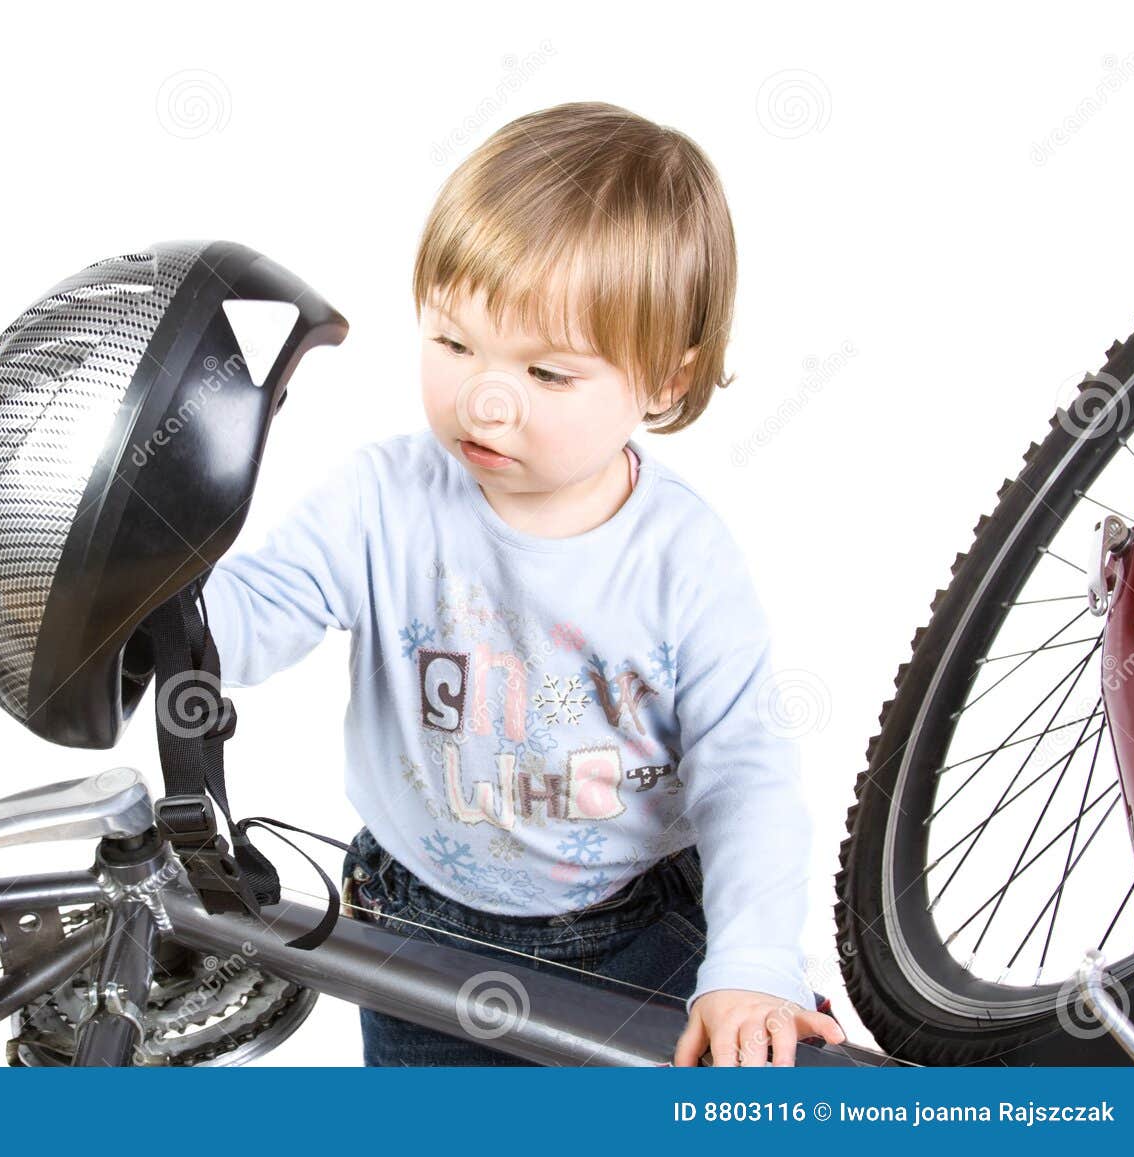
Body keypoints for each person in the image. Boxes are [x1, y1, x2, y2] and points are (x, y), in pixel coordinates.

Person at [201, 100, 846, 1067]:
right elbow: (250, 618)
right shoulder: (383, 498)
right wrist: (151, 603)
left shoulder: (680, 557)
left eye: (547, 372)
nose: (484, 398)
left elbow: (745, 770)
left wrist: (752, 959)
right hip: (417, 928)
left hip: (631, 929)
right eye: (454, 344)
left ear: (666, 381)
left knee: (757, 1075)